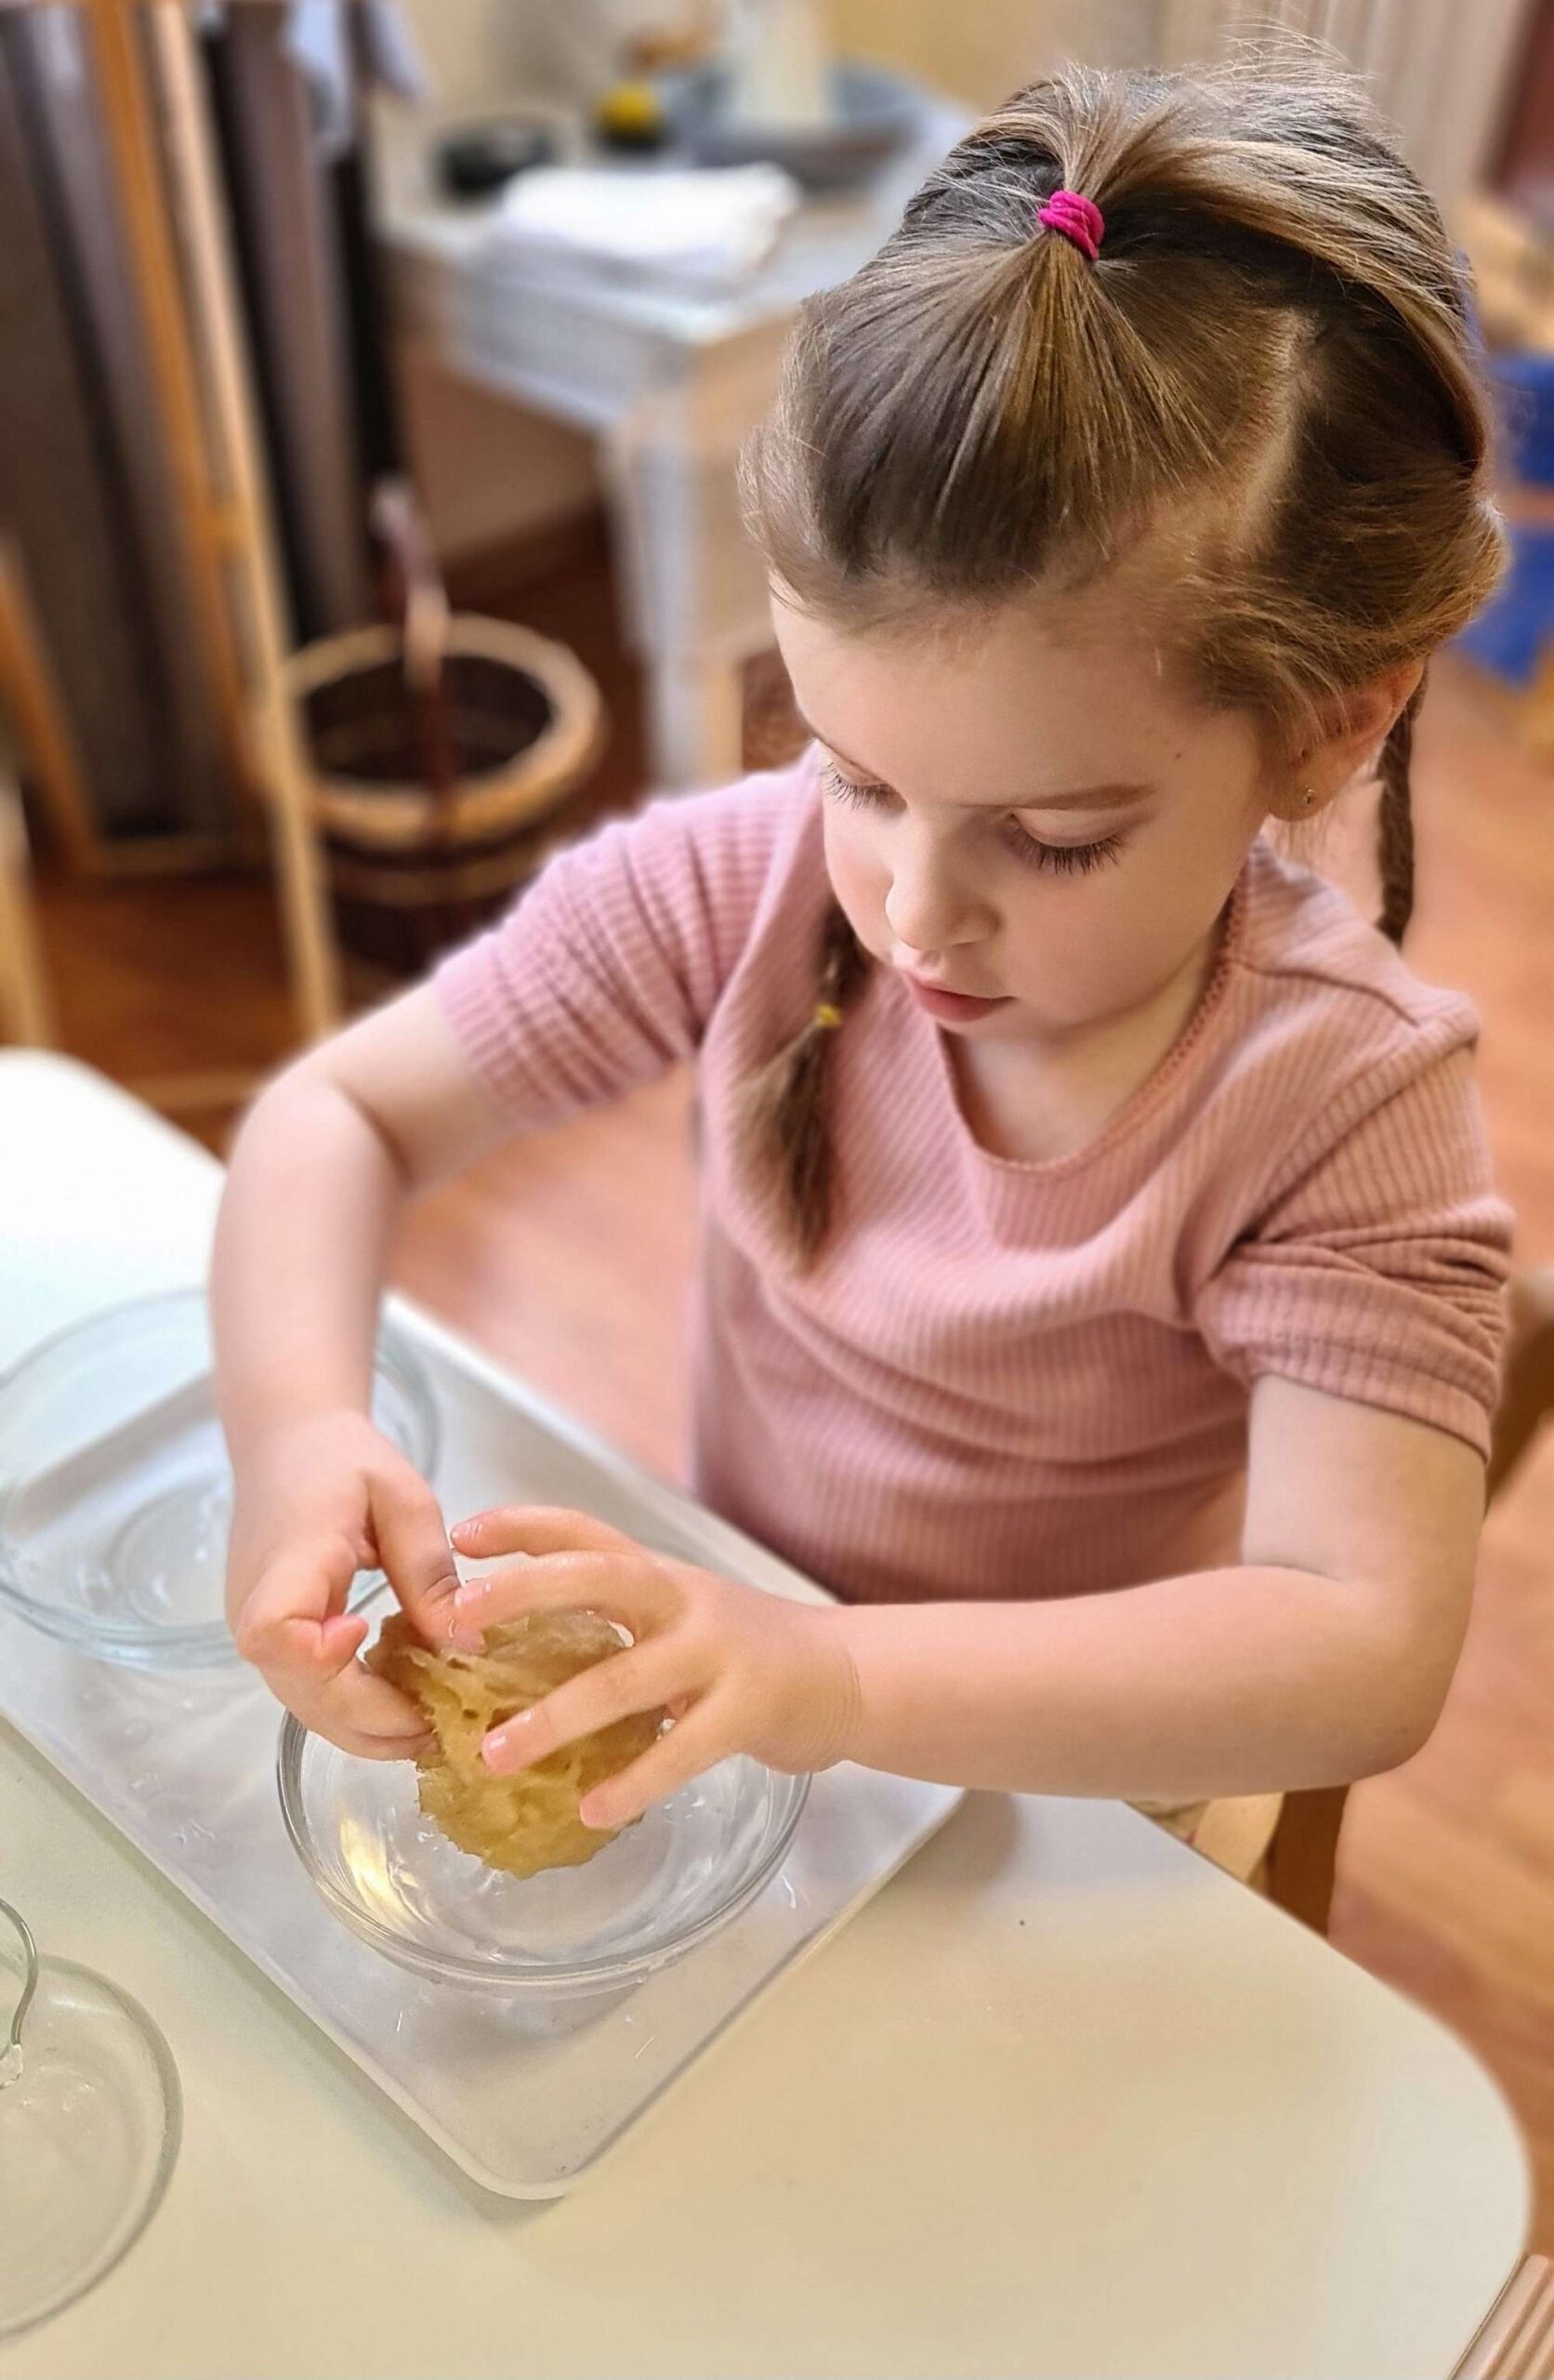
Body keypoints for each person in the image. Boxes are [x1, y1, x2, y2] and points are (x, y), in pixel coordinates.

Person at [213, 59, 1511, 1857]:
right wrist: (293, 1433)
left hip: (1062, 1775)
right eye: (857, 775)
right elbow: (338, 1117)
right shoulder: (750, 887)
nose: (910, 911)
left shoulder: (1337, 1103)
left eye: (1055, 839)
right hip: (740, 1668)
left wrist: (834, 1676)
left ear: (1330, 727)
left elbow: (1356, 1649)